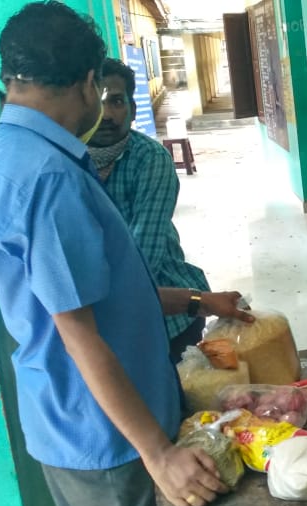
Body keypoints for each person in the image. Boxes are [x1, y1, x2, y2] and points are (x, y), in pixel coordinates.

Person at [0, 3, 253, 506]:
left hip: (83, 418)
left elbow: (103, 297)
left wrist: (200, 301)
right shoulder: (48, 176)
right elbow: (78, 335)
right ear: (86, 83)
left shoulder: (8, 154)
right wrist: (159, 454)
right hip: (104, 434)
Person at [88, 58, 210, 364]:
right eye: (98, 102)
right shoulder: (69, 162)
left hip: (168, 317)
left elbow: (144, 256)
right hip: (100, 320)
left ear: (133, 109)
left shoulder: (150, 159)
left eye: (116, 102)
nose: (106, 114)